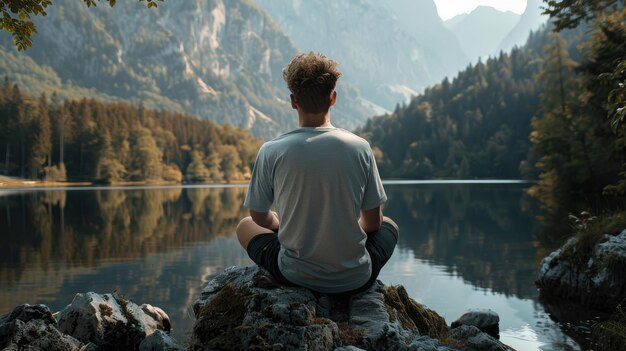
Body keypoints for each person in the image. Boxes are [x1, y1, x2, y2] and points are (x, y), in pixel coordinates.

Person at [236, 52, 399, 294]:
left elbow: (259, 217)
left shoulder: (271, 150)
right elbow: (373, 222)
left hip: (293, 275)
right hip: (355, 279)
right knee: (389, 224)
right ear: (333, 98)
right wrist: (340, 231)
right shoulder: (360, 147)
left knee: (245, 225)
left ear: (293, 101)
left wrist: (282, 225)